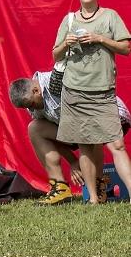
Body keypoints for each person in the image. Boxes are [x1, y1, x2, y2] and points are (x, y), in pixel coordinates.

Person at [49, 0, 131, 204]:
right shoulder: (69, 20)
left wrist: (100, 39)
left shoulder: (110, 16)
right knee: (85, 146)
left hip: (104, 92)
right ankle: (93, 200)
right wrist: (66, 42)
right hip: (74, 92)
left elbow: (126, 48)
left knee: (117, 145)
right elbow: (55, 55)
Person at [8, 71, 131, 204]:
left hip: (102, 114)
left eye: (31, 105)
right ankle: (60, 188)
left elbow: (89, 106)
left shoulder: (56, 81)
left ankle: (98, 186)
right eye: (27, 107)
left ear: (36, 90)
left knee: (98, 137)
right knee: (35, 128)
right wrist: (72, 161)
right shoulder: (32, 101)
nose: (31, 109)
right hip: (77, 129)